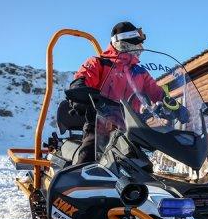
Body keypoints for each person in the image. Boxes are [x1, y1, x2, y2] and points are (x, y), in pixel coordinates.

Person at [67, 21, 165, 163]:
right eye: (137, 45)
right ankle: (76, 183)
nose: (141, 49)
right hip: (99, 128)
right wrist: (81, 97)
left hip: (133, 131)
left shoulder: (140, 72)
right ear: (124, 44)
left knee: (152, 167)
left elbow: (157, 93)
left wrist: (174, 106)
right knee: (86, 164)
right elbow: (80, 82)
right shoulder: (98, 63)